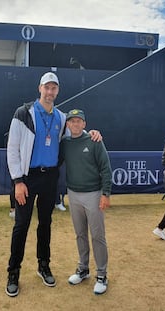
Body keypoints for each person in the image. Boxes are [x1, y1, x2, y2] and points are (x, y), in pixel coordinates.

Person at [5, 72, 101, 297]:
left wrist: (92, 133)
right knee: (21, 226)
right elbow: (12, 148)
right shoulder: (23, 113)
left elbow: (77, 132)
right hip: (27, 178)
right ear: (40, 88)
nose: (50, 92)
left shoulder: (61, 117)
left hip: (50, 178)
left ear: (58, 91)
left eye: (54, 88)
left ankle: (43, 265)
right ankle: (13, 273)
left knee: (46, 223)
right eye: (46, 88)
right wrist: (18, 181)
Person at [59, 109, 112, 295]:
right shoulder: (64, 143)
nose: (74, 124)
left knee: (97, 235)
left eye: (78, 121)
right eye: (71, 121)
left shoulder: (94, 140)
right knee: (80, 234)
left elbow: (106, 168)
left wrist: (106, 193)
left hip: (94, 194)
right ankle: (83, 269)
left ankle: (102, 275)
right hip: (73, 194)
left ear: (84, 124)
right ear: (67, 125)